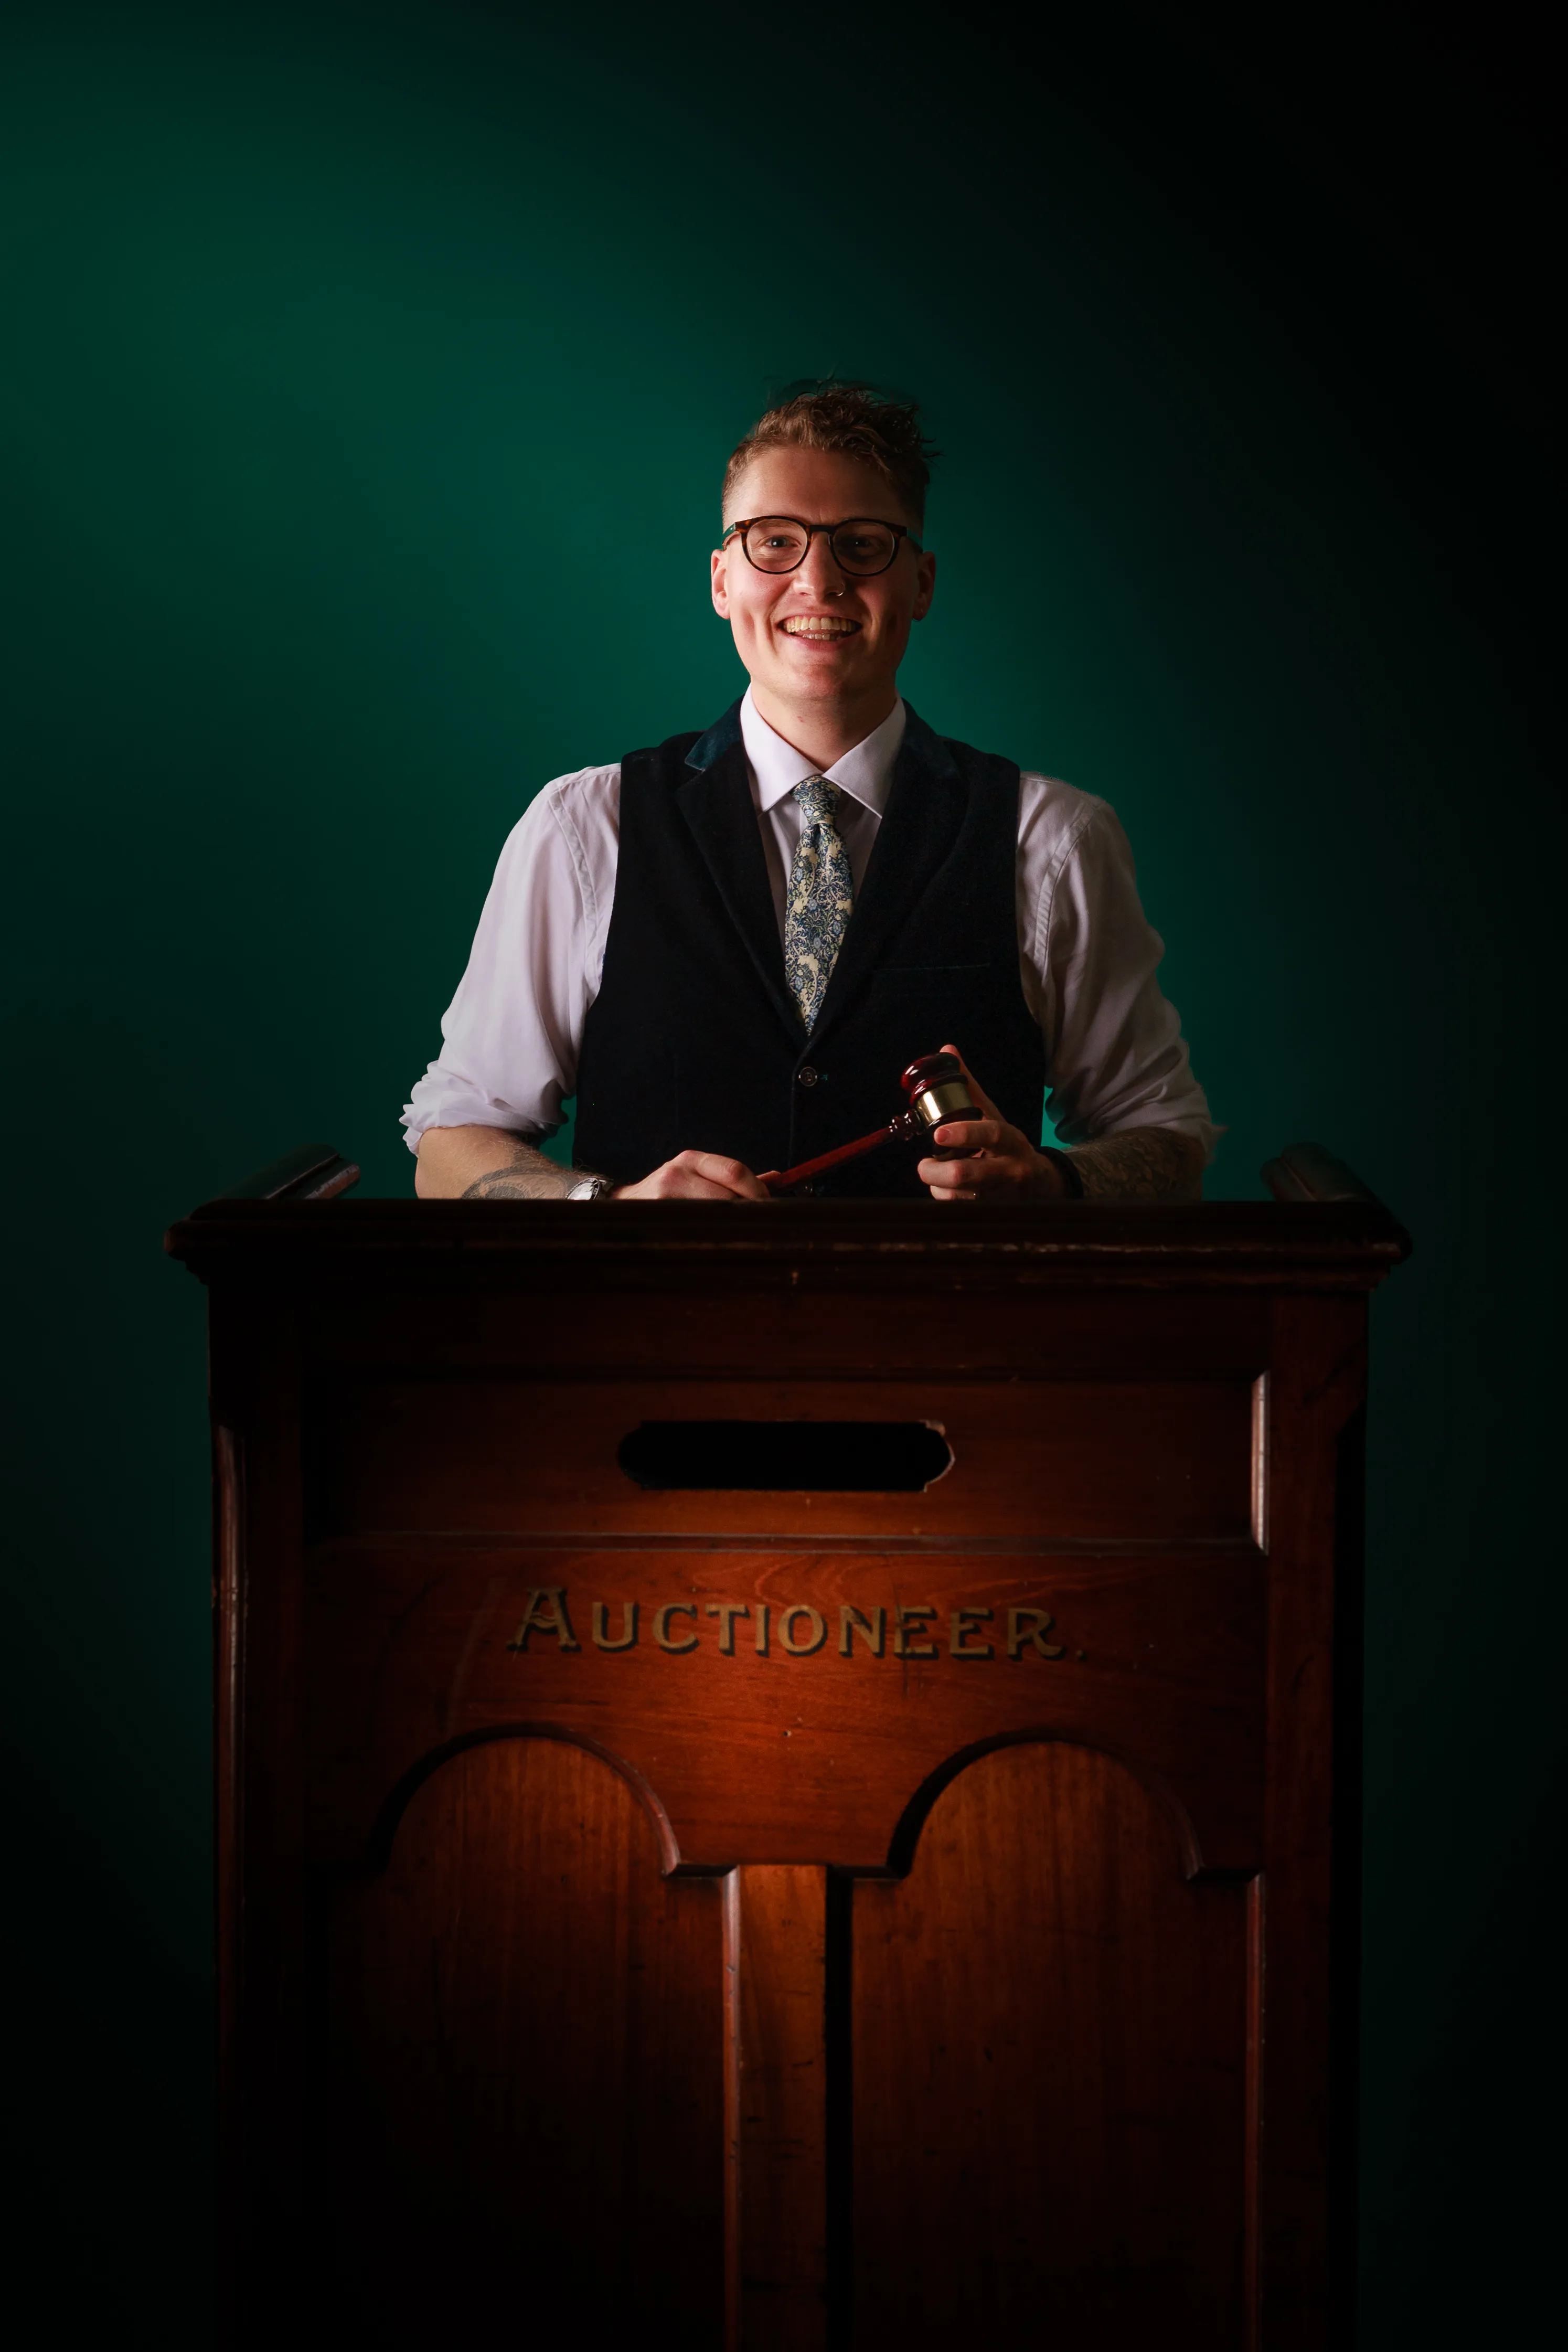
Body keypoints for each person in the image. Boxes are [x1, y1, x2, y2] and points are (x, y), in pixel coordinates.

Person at [405, 384, 1215, 1204]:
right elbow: (448, 1147)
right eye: (774, 541)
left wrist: (1052, 1179)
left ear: (923, 584)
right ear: (723, 581)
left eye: (863, 544)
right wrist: (606, 1210)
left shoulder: (1051, 837)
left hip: (953, 1334)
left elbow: (1169, 1140)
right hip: (647, 1335)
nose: (818, 581)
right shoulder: (583, 828)